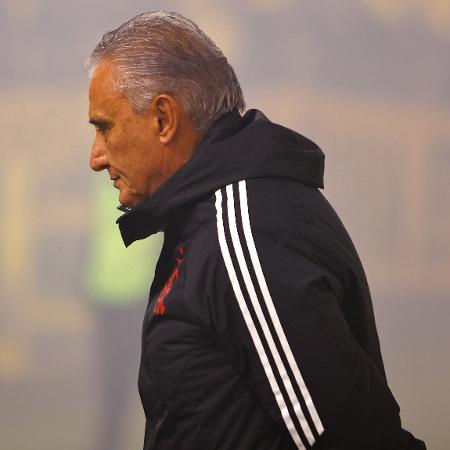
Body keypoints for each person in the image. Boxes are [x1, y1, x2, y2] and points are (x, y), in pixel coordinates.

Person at [86, 10, 426, 450]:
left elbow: (356, 440)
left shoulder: (241, 234)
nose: (96, 157)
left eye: (105, 128)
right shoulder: (220, 217)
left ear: (164, 119)